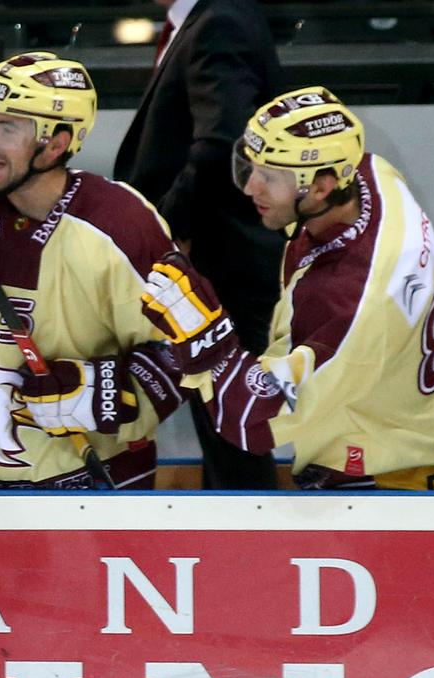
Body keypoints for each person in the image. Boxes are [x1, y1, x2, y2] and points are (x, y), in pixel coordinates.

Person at [140, 87, 434, 489]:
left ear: (321, 188)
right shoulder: (374, 176)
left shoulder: (348, 303)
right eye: (250, 167)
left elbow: (253, 421)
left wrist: (202, 336)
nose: (251, 188)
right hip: (426, 426)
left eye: (271, 176)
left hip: (390, 480)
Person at [0, 53, 184, 490]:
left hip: (81, 491)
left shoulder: (122, 224)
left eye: (8, 127)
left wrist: (100, 391)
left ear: (57, 143)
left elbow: (186, 352)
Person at [112, 0, 284, 489]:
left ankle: (249, 556)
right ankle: (234, 551)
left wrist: (162, 232)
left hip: (219, 263)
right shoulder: (213, 17)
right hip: (221, 257)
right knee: (227, 433)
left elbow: (222, 140)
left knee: (233, 436)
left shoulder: (222, 20)